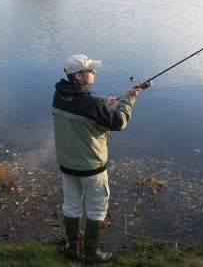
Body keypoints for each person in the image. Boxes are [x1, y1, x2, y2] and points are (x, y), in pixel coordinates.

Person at [52, 54, 145, 262]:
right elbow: (119, 122)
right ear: (78, 76)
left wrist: (104, 102)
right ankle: (92, 254)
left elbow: (83, 105)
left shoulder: (58, 95)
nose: (95, 72)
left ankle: (72, 249)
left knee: (71, 205)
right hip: (91, 168)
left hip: (67, 165)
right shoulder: (92, 105)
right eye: (90, 70)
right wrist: (128, 98)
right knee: (97, 208)